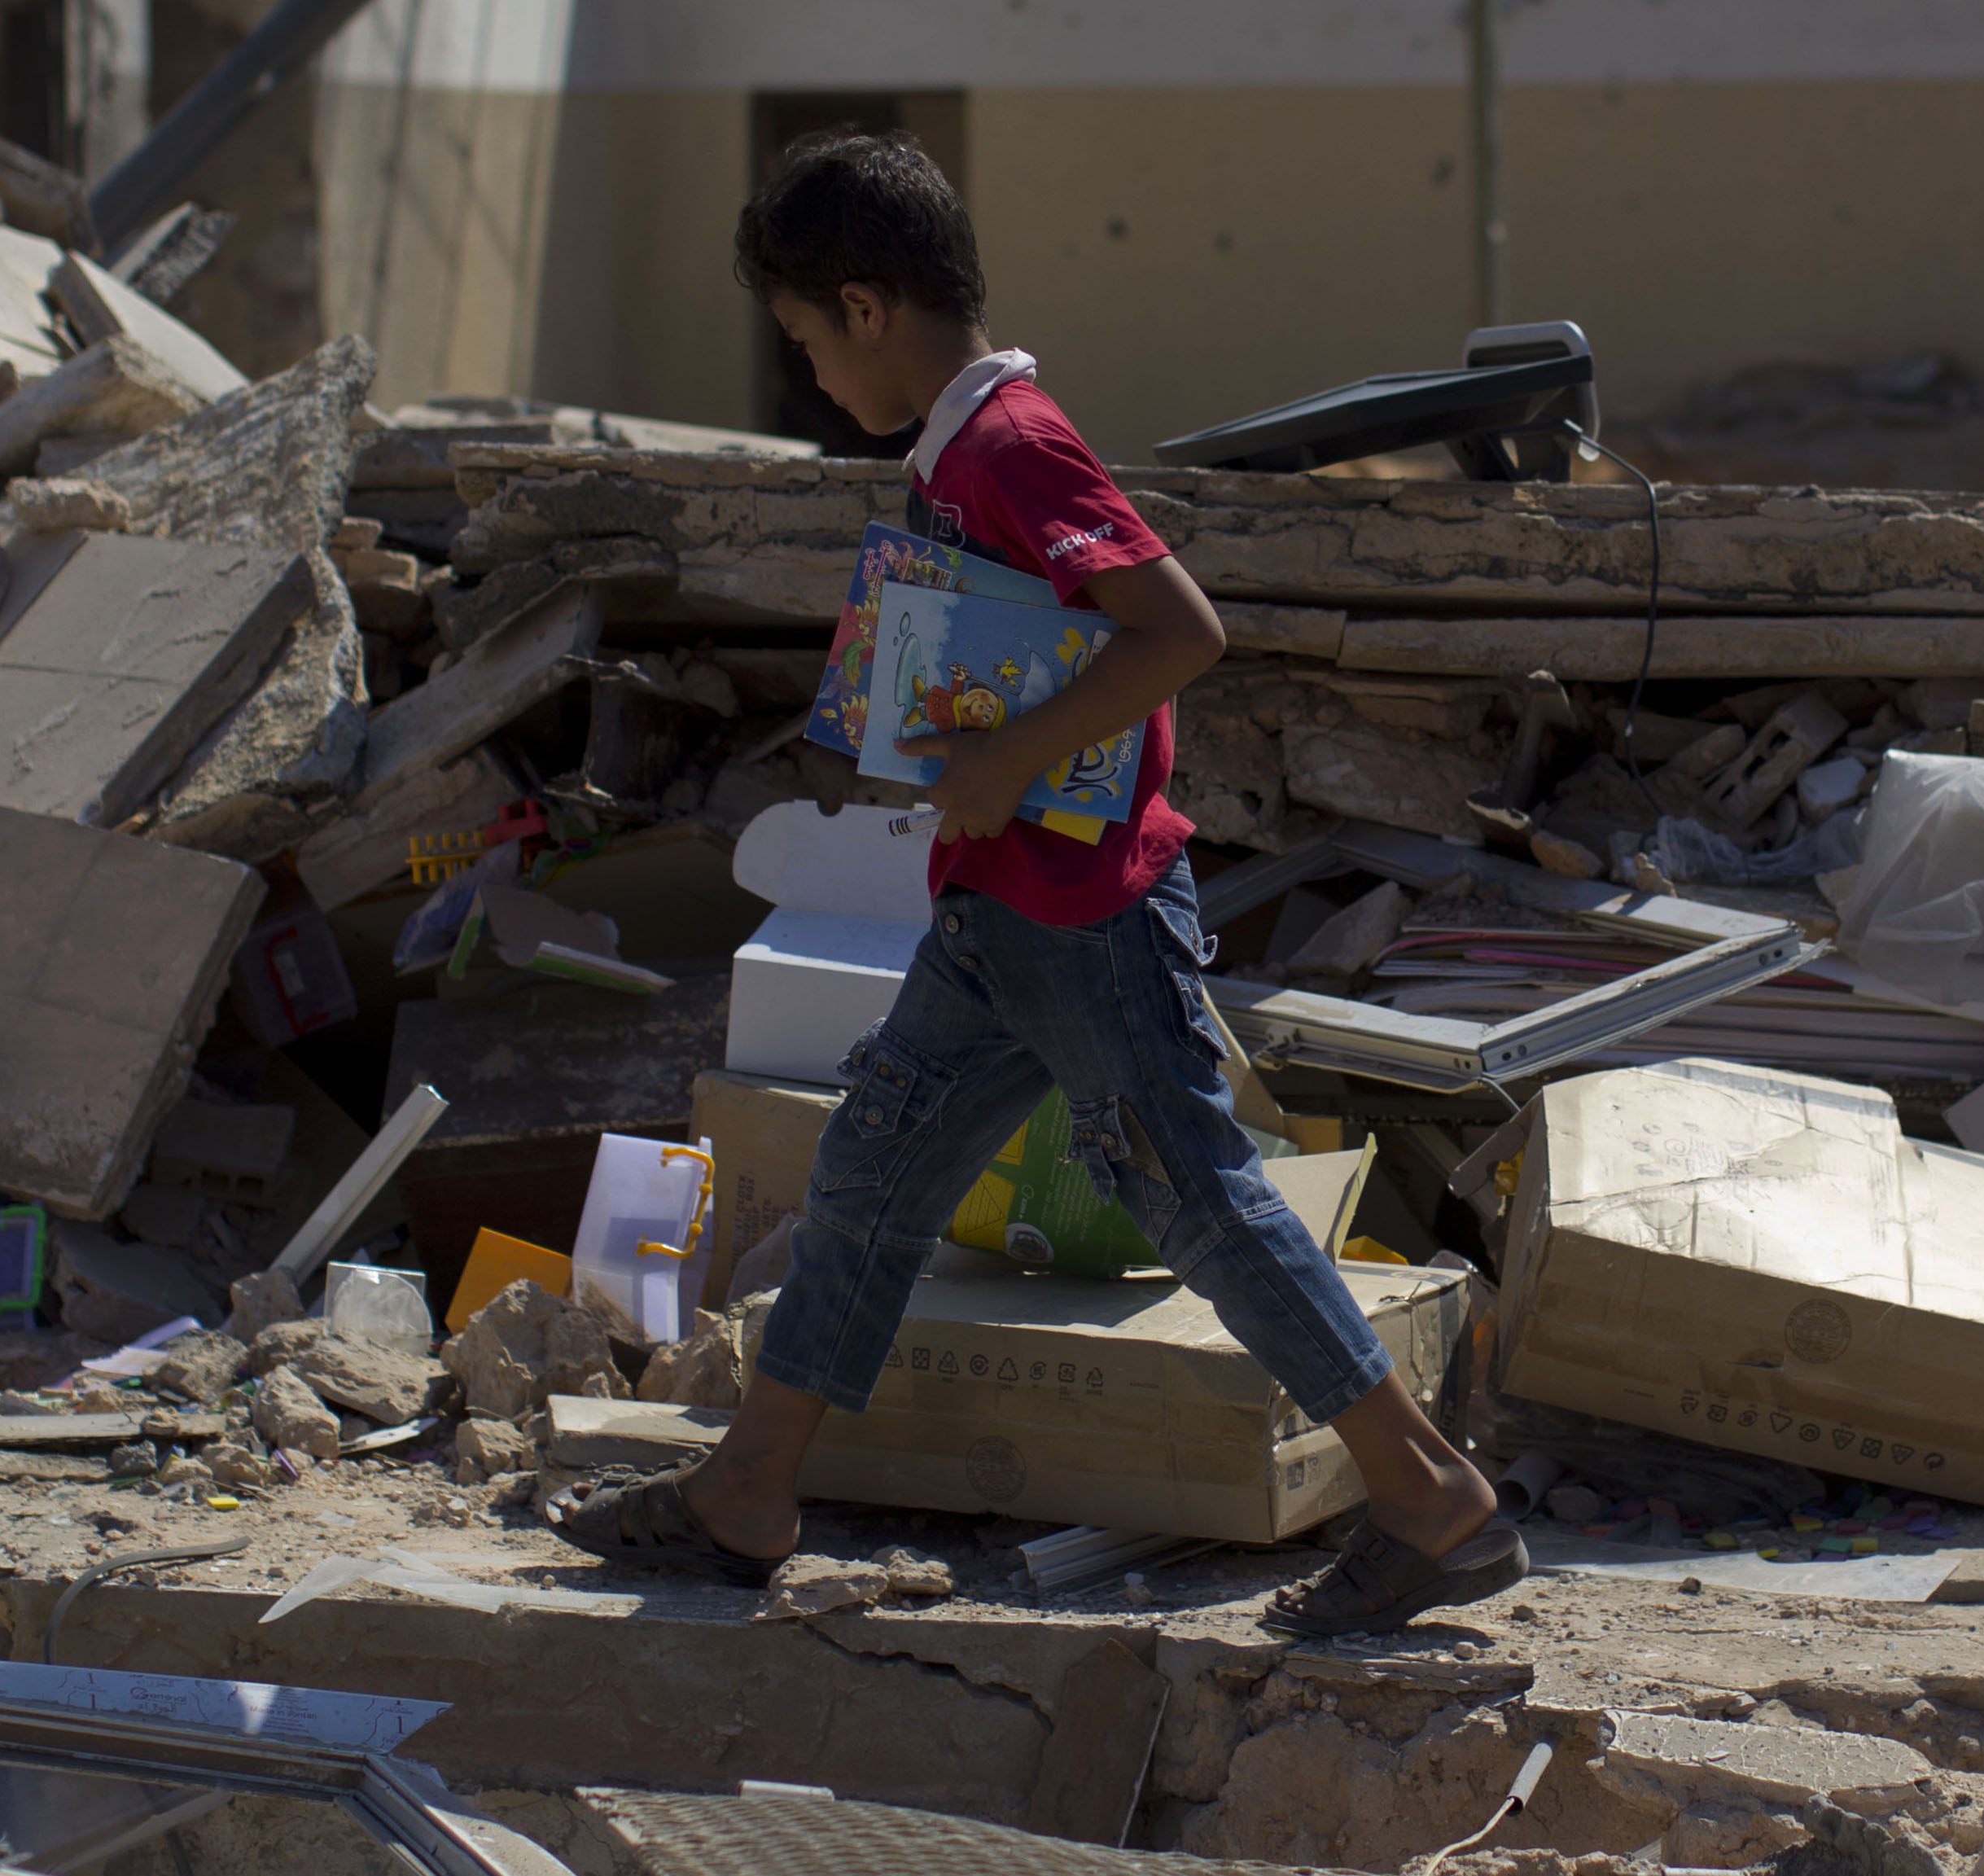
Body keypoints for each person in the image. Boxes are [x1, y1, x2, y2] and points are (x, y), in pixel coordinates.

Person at [545, 127, 1521, 1637]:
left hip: (1082, 919)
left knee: (1203, 1206)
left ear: (867, 308)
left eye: (806, 342)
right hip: (1002, 916)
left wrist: (1002, 765)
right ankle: (747, 1494)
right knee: (870, 1176)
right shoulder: (962, 450)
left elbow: (1175, 630)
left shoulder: (1013, 445)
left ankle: (1431, 1495)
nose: (811, 379)